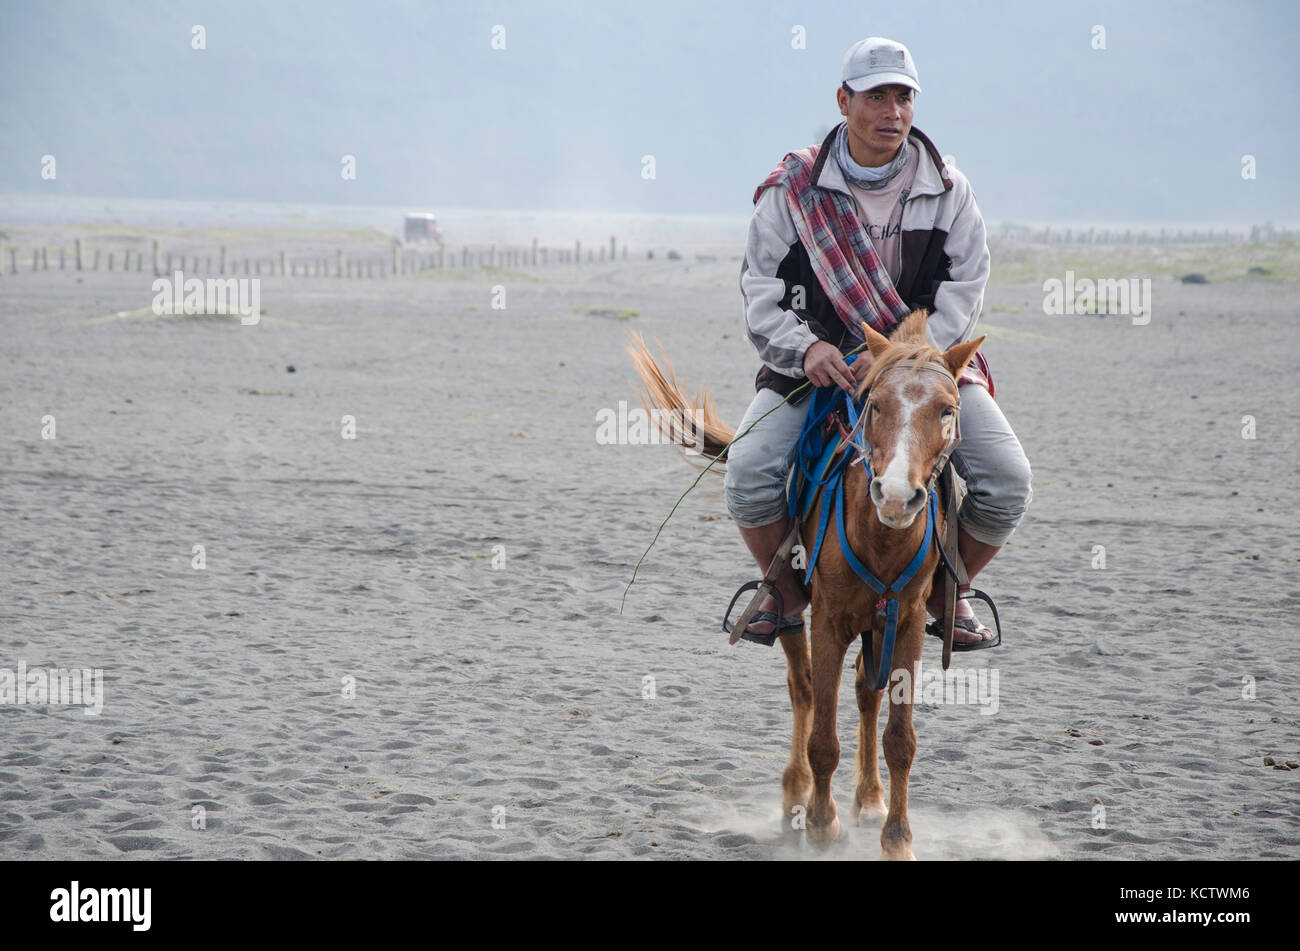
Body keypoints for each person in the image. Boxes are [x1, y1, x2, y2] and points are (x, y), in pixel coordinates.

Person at [724, 36, 1032, 645]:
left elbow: (965, 289)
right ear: (844, 101)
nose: (893, 111)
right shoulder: (794, 190)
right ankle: (783, 593)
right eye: (876, 96)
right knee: (749, 470)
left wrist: (903, 358)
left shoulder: (948, 189)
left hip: (922, 366)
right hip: (815, 366)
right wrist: (806, 348)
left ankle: (951, 593)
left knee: (1007, 479)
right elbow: (759, 289)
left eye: (904, 96)